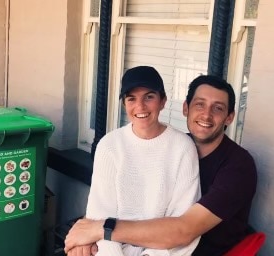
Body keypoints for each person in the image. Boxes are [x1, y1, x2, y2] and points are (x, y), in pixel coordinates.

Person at [65, 75, 257, 256]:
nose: (206, 115)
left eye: (218, 108)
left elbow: (184, 230)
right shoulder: (175, 147)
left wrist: (101, 229)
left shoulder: (238, 166)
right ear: (185, 108)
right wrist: (89, 236)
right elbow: (127, 204)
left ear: (230, 117)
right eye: (199, 104)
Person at [69, 65, 201, 256]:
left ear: (162, 101)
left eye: (149, 97)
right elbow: (100, 215)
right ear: (124, 104)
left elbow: (181, 221)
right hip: (111, 248)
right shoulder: (110, 145)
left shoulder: (182, 147)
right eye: (131, 98)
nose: (140, 107)